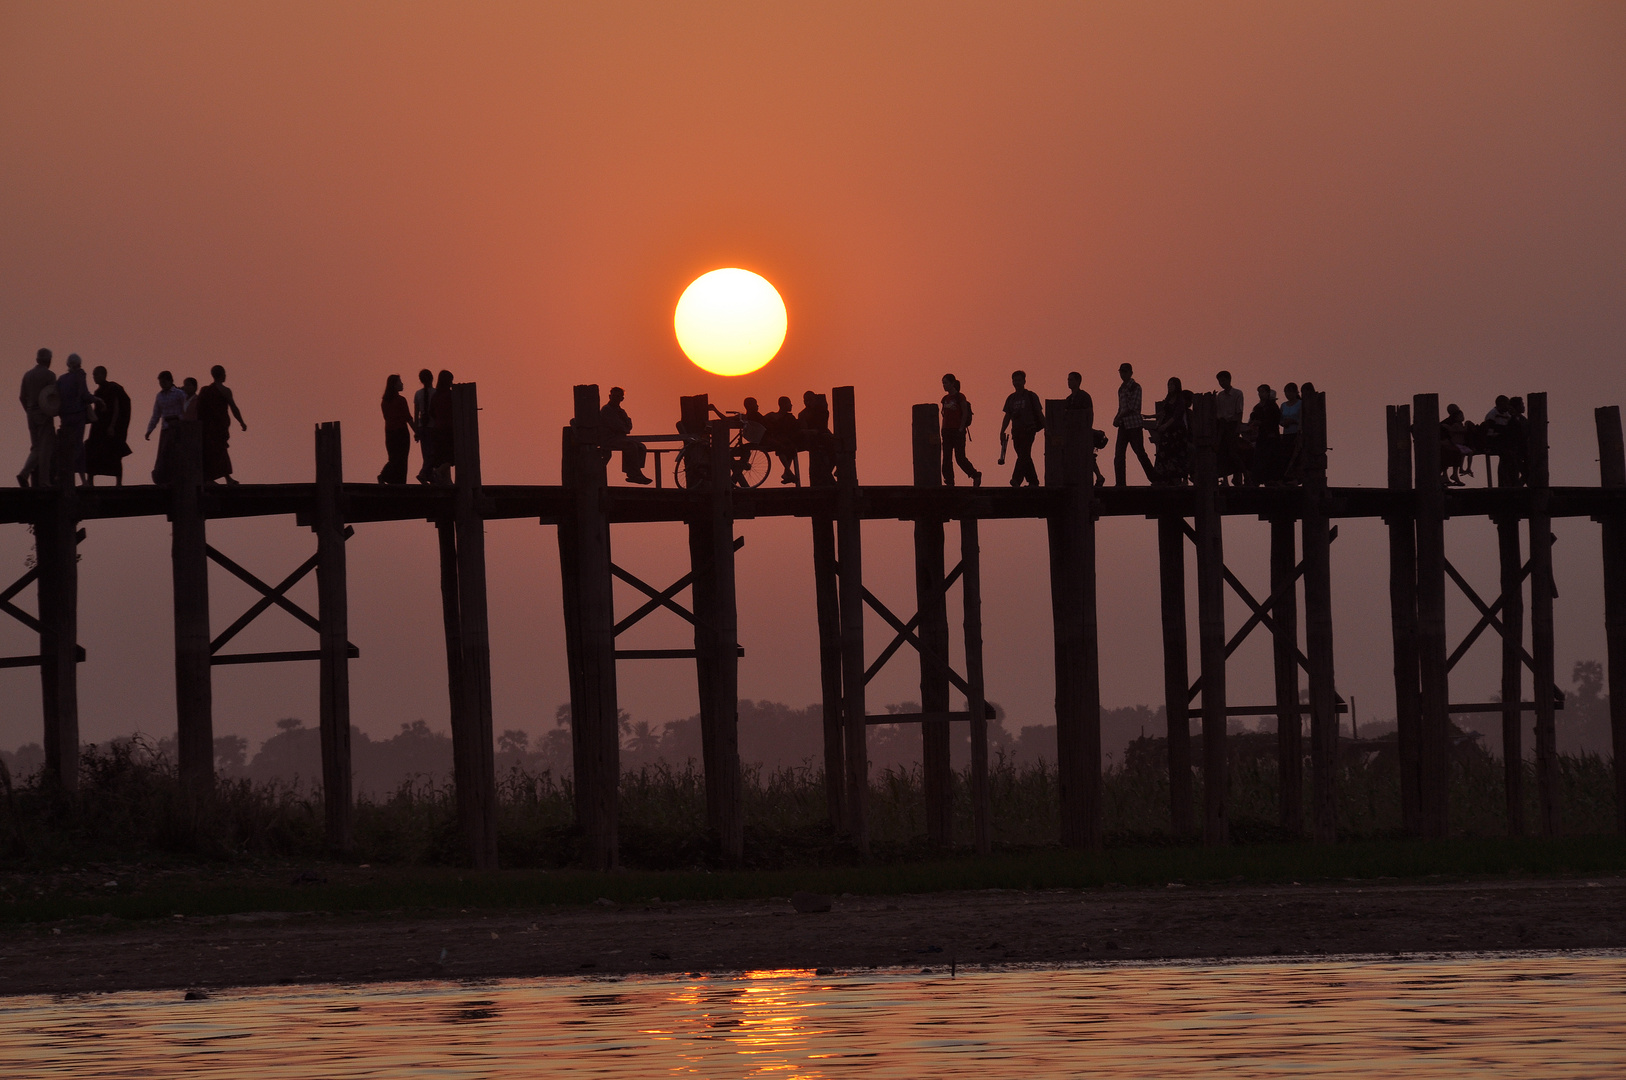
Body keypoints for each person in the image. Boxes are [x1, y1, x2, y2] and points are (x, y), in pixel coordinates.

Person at [195, 365, 247, 484]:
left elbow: (199, 410)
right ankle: (221, 478)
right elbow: (234, 408)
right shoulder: (224, 390)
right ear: (222, 374)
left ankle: (216, 478)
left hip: (212, 427)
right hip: (215, 427)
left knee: (212, 451)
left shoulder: (206, 391)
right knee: (219, 452)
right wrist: (241, 422)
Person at [85, 364, 132, 486]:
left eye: (96, 374)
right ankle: (90, 481)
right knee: (92, 451)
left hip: (110, 427)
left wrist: (112, 426)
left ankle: (119, 482)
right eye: (93, 375)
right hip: (98, 427)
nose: (94, 377)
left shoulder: (113, 388)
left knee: (114, 453)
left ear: (103, 375)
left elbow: (117, 408)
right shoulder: (98, 391)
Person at [18, 348, 57, 488]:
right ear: (49, 360)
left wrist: (29, 411)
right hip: (44, 415)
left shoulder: (27, 375)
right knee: (45, 449)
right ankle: (44, 480)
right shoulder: (50, 375)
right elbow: (52, 397)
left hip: (30, 414)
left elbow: (22, 397)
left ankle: (24, 473)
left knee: (36, 447)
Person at [1112, 363, 1155, 486]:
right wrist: (1117, 418)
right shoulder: (1121, 389)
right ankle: (1120, 483)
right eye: (1121, 372)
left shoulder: (1136, 387)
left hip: (1134, 425)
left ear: (1131, 373)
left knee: (1140, 453)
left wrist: (1118, 417)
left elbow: (1132, 407)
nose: (1122, 374)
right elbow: (1121, 407)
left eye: (1125, 372)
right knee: (1119, 455)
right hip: (1124, 425)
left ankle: (1154, 478)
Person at [1000, 370, 1044, 487]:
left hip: (1029, 430)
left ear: (1024, 381)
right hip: (1016, 432)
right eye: (1014, 380)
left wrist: (1047, 427)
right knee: (1024, 457)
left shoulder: (1031, 396)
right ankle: (1033, 481)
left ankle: (1016, 479)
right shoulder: (1011, 398)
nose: (1017, 382)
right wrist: (1002, 431)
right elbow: (1007, 416)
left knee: (1024, 454)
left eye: (1019, 380)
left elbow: (1039, 413)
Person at [56, 353, 94, 486]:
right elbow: (84, 394)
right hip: (78, 416)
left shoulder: (61, 379)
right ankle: (83, 480)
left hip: (65, 417)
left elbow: (56, 398)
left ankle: (64, 476)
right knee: (78, 446)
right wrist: (98, 400)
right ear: (78, 364)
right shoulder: (80, 375)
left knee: (66, 447)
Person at [600, 386, 652, 485]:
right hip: (608, 439)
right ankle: (634, 473)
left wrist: (624, 427)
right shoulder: (607, 409)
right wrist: (623, 427)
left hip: (619, 438)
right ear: (609, 396)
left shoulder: (621, 411)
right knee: (631, 446)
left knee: (641, 446)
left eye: (618, 396)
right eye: (614, 396)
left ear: (622, 399)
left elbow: (628, 426)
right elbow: (617, 425)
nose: (615, 398)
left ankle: (635, 472)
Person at [145, 370, 187, 483]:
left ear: (170, 381)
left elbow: (186, 409)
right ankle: (163, 477)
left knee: (176, 453)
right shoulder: (159, 396)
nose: (162, 384)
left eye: (164, 382)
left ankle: (177, 477)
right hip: (165, 428)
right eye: (160, 382)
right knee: (164, 454)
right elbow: (156, 415)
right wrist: (149, 430)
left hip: (178, 428)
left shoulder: (179, 394)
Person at [1064, 371, 1105, 487]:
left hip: (1083, 432)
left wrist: (1088, 430)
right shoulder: (1068, 399)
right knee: (1078, 457)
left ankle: (1098, 476)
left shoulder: (1084, 396)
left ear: (1078, 381)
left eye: (1071, 380)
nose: (1069, 382)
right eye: (1068, 379)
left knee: (1087, 456)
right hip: (1072, 433)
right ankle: (1095, 477)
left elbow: (1089, 413)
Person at [940, 373, 981, 487]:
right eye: (943, 383)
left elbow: (964, 413)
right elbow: (944, 415)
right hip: (947, 431)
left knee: (960, 458)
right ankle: (949, 481)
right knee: (946, 458)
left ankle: (975, 474)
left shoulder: (960, 397)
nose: (944, 385)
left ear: (952, 383)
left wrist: (961, 428)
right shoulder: (944, 399)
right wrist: (942, 430)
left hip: (957, 431)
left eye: (946, 383)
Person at [1152, 377, 1191, 484]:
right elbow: (1163, 412)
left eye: (1172, 385)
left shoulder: (1180, 400)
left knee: (1177, 454)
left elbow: (1176, 416)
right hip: (1168, 432)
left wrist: (1165, 425)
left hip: (1177, 431)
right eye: (1169, 385)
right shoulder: (1168, 399)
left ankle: (1180, 478)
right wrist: (1149, 416)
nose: (1170, 387)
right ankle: (1164, 478)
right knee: (1164, 453)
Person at [378, 374, 415, 484]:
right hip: (401, 432)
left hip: (389, 433)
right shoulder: (401, 400)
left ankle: (390, 478)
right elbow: (408, 418)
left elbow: (386, 417)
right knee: (402, 459)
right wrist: (417, 432)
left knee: (393, 458)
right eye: (400, 382)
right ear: (394, 385)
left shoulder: (384, 402)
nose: (402, 384)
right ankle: (393, 479)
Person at [1245, 384, 1281, 486]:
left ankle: (1270, 480)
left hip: (1272, 435)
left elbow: (1274, 421)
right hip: (1262, 436)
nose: (1261, 394)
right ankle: (1257, 480)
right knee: (1259, 458)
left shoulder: (1273, 406)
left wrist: (1261, 423)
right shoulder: (1258, 407)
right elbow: (1252, 418)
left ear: (1268, 393)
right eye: (1259, 392)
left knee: (1271, 459)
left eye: (1263, 392)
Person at [1215, 370, 1246, 486]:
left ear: (1229, 380)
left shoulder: (1238, 393)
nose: (1221, 383)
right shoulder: (1220, 396)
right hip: (1222, 425)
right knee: (1222, 453)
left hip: (1232, 425)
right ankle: (1225, 480)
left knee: (1233, 452)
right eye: (1219, 381)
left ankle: (1244, 476)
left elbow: (1239, 412)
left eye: (1223, 380)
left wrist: (1237, 427)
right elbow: (1218, 413)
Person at [761, 395, 800, 484]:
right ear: (783, 405)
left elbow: (796, 427)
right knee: (781, 446)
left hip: (787, 439)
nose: (791, 405)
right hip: (775, 438)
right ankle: (788, 471)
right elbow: (761, 422)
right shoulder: (772, 415)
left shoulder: (790, 417)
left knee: (792, 447)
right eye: (789, 403)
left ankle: (786, 473)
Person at [427, 369, 455, 483]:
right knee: (451, 457)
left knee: (442, 456)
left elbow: (431, 412)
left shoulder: (435, 396)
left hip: (437, 430)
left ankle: (448, 481)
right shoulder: (450, 395)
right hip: (448, 429)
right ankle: (438, 471)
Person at [413, 368, 436, 483]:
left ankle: (429, 475)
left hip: (422, 426)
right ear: (432, 378)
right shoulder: (435, 393)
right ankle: (423, 473)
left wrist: (416, 431)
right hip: (432, 427)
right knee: (433, 453)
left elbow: (416, 414)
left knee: (426, 454)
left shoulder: (418, 394)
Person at [1278, 382, 1303, 484]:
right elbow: (1279, 419)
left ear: (1294, 392)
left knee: (1296, 455)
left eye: (1288, 392)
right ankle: (1285, 477)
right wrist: (1283, 423)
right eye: (1285, 392)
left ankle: (1295, 478)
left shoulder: (1300, 403)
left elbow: (1302, 419)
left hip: (1296, 432)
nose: (1287, 394)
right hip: (1286, 433)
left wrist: (1293, 421)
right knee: (1285, 455)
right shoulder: (1283, 405)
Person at [1441, 404, 1471, 486]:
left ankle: (1449, 475)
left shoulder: (1449, 421)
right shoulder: (1453, 422)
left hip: (1450, 444)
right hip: (1446, 444)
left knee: (1458, 452)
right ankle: (1448, 476)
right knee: (1455, 452)